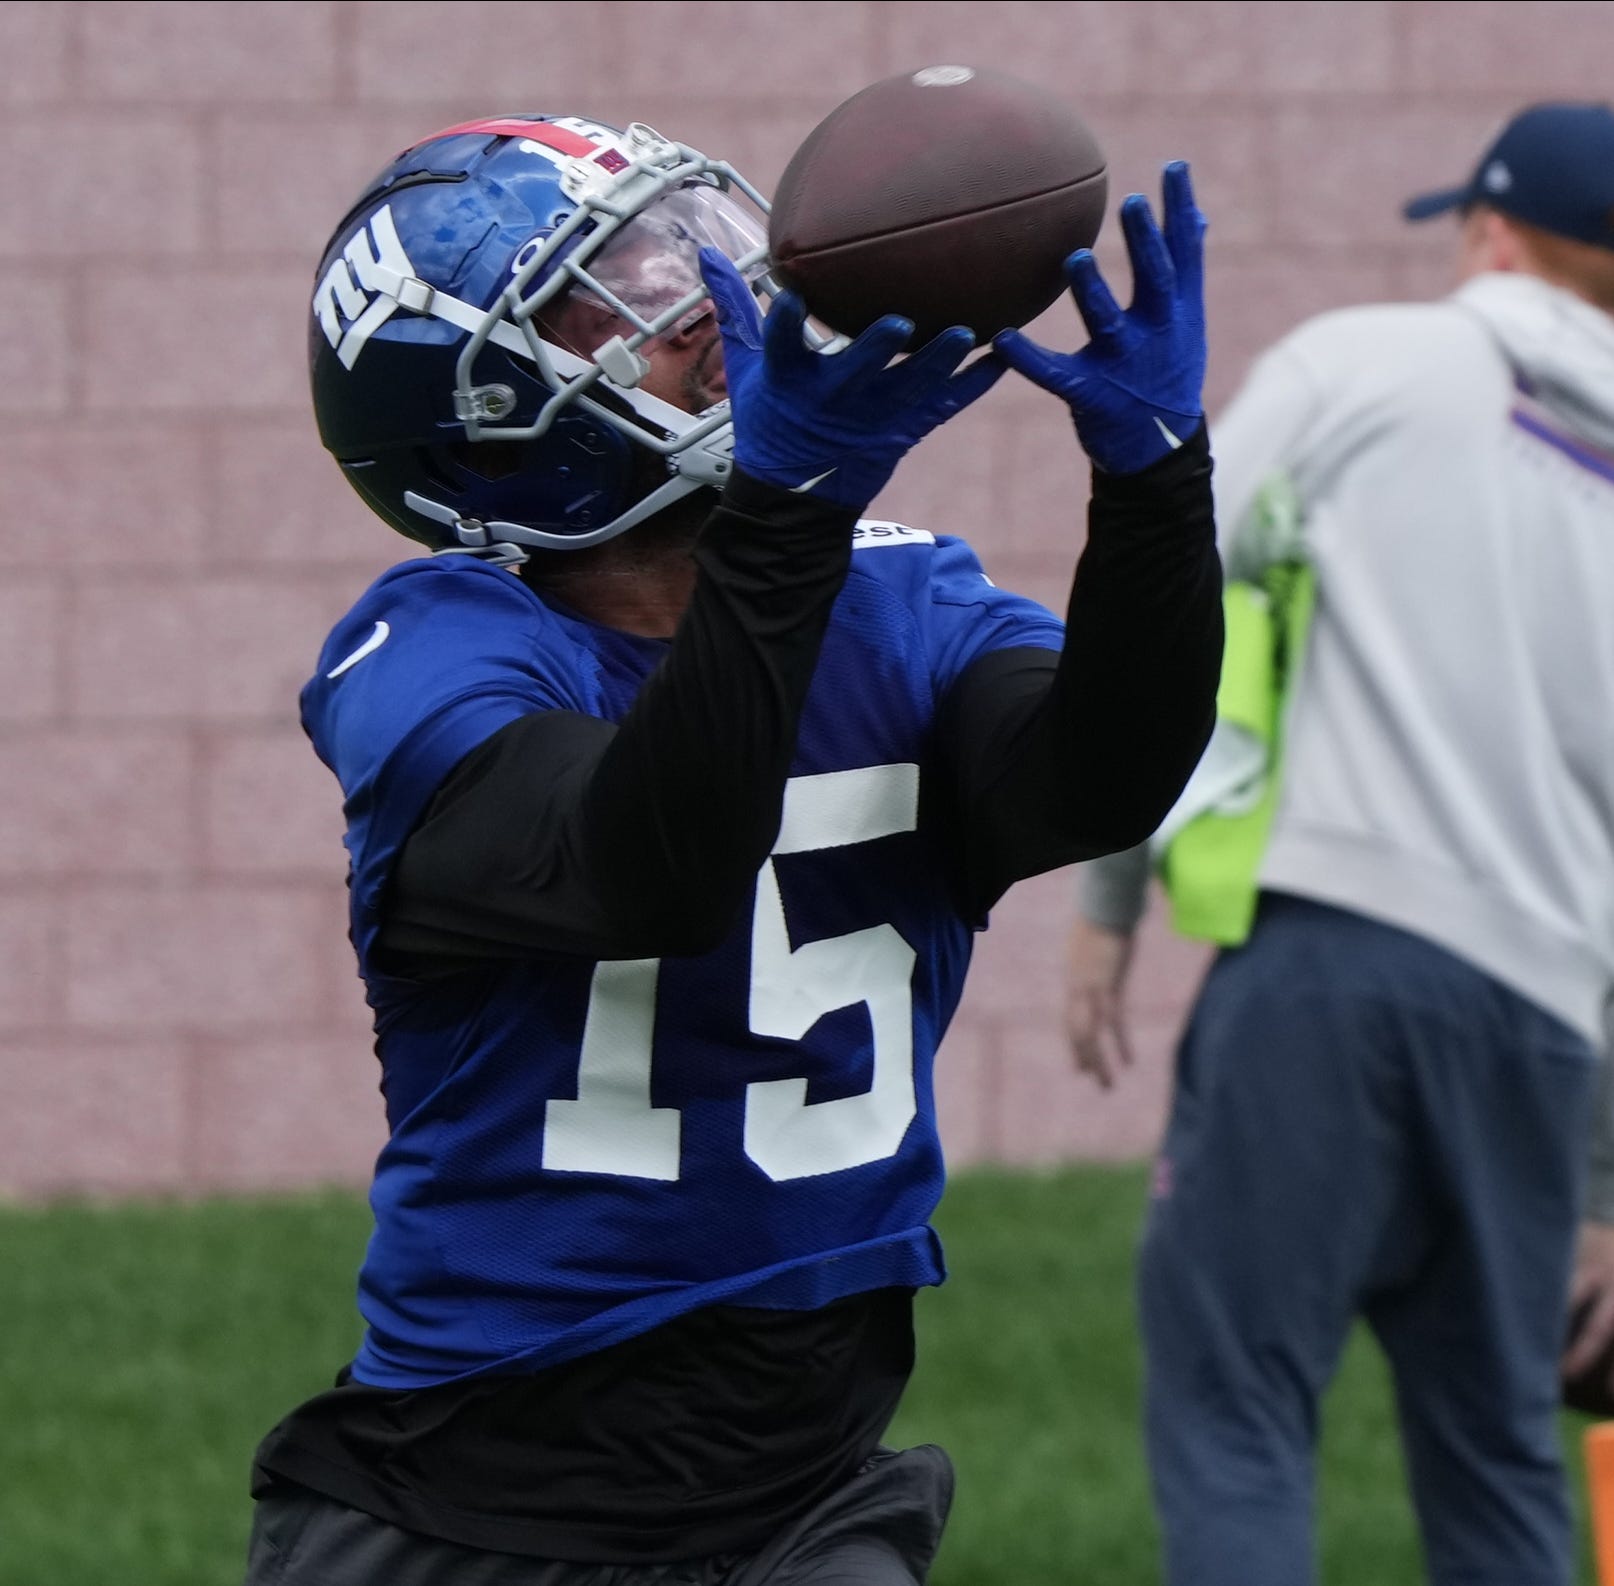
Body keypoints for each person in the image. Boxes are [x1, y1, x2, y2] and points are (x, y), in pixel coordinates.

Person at [242, 110, 1222, 1584]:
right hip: (477, 1490)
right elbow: (652, 865)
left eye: (674, 242)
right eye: (615, 285)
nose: (697, 297)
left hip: (806, 1480)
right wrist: (789, 513)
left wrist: (1150, 483)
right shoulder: (429, 648)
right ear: (494, 402)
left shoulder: (903, 597)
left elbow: (1094, 782)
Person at [1066, 102, 1614, 1586]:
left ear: (1490, 229)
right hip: (1546, 1029)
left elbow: (1164, 597)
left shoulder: (1365, 362)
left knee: (1236, 1405)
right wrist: (1604, 1190)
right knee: (1499, 1446)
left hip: (1329, 972)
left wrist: (1109, 893)